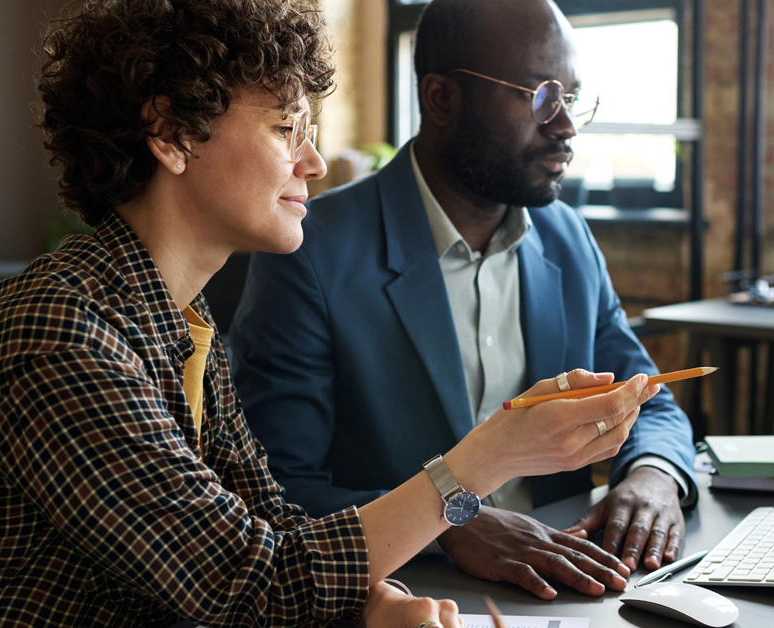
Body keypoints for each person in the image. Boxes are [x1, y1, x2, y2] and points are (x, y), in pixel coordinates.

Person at [0, 1, 658, 626]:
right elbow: (239, 582)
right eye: (285, 128)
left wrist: (369, 605)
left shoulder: (181, 322)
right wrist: (489, 456)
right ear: (173, 133)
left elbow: (270, 523)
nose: (311, 162)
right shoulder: (57, 331)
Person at [230, 0, 698, 601]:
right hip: (410, 593)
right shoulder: (310, 252)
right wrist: (453, 523)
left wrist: (654, 476)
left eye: (572, 99)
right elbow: (276, 488)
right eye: (539, 96)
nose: (565, 126)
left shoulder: (568, 238)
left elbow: (648, 397)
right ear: (441, 98)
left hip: (576, 586)